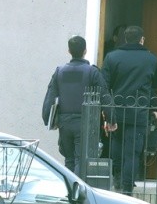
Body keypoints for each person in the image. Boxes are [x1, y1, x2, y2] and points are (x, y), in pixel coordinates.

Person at [101, 26, 157, 195]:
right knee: (133, 152)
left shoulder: (112, 57)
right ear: (141, 39)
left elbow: (104, 84)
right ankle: (128, 188)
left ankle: (117, 181)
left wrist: (107, 112)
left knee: (116, 147)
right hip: (139, 111)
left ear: (125, 39)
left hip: (117, 110)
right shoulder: (151, 59)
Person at [41, 35, 112, 175]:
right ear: (85, 50)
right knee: (81, 160)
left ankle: (69, 191)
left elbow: (50, 97)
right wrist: (111, 118)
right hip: (85, 122)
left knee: (69, 159)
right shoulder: (92, 72)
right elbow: (104, 95)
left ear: (69, 51)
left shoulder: (59, 72)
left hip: (64, 122)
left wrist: (47, 118)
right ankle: (77, 191)